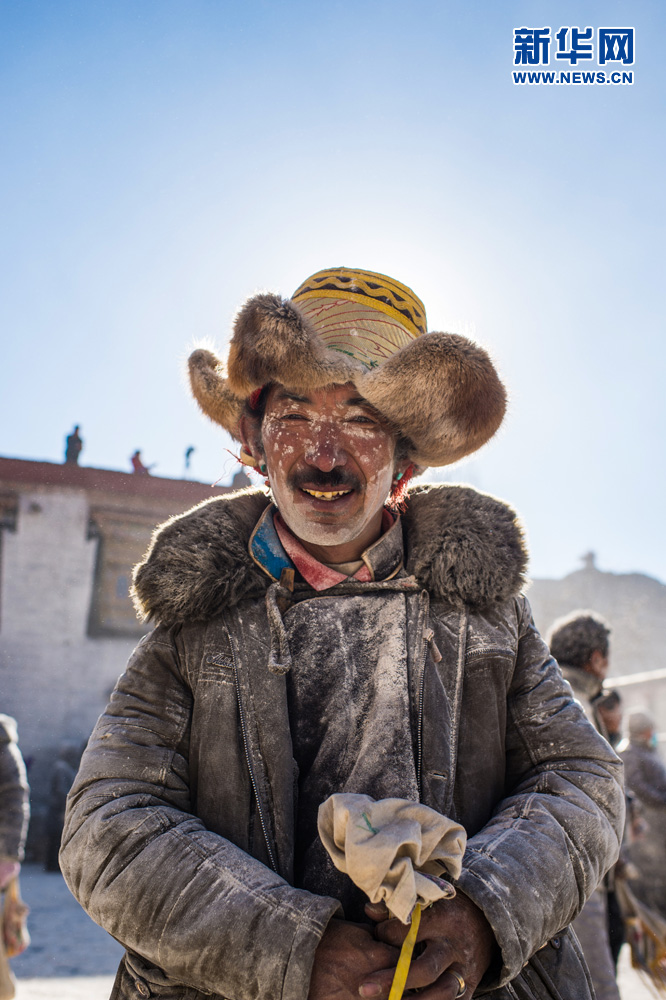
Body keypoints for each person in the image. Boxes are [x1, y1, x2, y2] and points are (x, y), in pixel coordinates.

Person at [61, 267, 624, 1000]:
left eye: (359, 419)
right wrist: (290, 948)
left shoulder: (485, 615)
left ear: (404, 459)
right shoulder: (193, 625)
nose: (325, 452)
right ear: (254, 441)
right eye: (295, 412)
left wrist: (485, 908)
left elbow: (582, 781)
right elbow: (106, 825)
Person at [546, 611, 620, 1000]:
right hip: (578, 880)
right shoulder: (573, 705)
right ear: (595, 659)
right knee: (595, 987)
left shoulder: (548, 693)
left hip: (561, 876)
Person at [620, 709, 666, 921]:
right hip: (648, 832)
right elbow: (636, 786)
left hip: (659, 829)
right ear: (645, 731)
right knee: (653, 885)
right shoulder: (630, 753)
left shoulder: (647, 752)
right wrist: (661, 799)